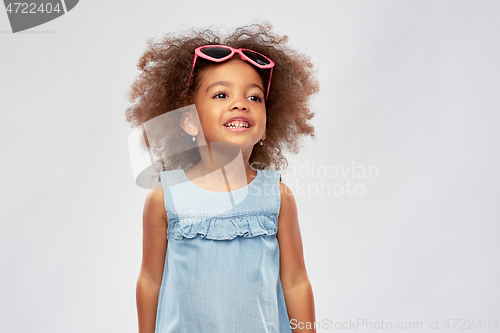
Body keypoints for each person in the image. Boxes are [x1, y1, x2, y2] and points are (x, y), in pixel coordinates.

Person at [125, 21, 319, 333]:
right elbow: (149, 279)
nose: (240, 103)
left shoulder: (277, 196)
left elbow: (296, 281)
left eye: (254, 98)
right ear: (189, 122)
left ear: (267, 125)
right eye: (220, 95)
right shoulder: (165, 198)